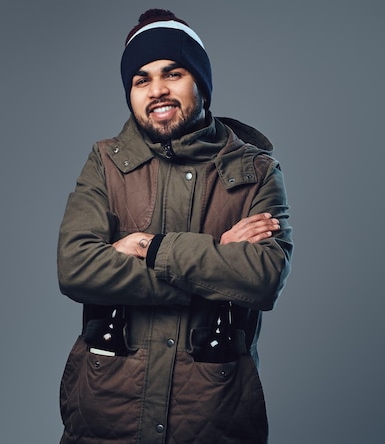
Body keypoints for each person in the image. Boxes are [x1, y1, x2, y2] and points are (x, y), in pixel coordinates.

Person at [56, 8, 293, 444]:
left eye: (173, 73)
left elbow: (263, 279)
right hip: (105, 416)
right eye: (141, 79)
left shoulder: (256, 170)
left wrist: (148, 246)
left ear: (200, 80)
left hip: (214, 419)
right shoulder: (105, 163)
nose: (157, 90)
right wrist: (217, 252)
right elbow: (75, 268)